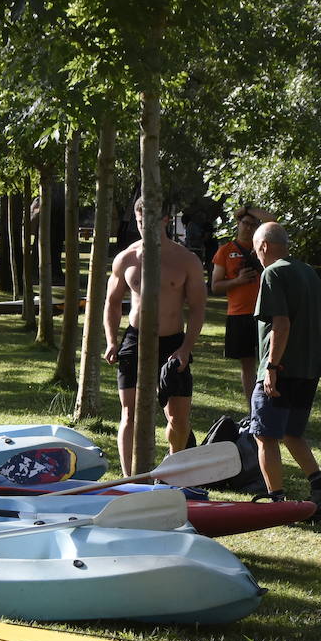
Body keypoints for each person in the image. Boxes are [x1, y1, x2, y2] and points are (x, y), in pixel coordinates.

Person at [247, 222, 321, 522]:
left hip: (283, 368)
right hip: (309, 368)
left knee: (264, 435)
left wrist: (271, 368)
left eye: (255, 249)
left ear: (263, 246)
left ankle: (277, 502)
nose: (256, 255)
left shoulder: (273, 272)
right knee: (292, 432)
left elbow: (282, 324)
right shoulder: (309, 273)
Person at [103, 196, 206, 471]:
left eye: (148, 222)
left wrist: (185, 348)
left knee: (178, 418)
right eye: (138, 222)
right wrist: (111, 340)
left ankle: (172, 469)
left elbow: (197, 308)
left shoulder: (186, 260)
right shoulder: (126, 258)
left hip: (173, 343)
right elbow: (112, 303)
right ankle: (129, 480)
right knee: (129, 412)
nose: (143, 228)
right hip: (135, 339)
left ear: (165, 220)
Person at [210, 208, 273, 403]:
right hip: (239, 314)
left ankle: (269, 401)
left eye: (253, 225)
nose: (248, 228)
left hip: (266, 312)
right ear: (238, 224)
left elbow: (273, 221)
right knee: (247, 364)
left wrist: (248, 208)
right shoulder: (225, 251)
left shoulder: (264, 247)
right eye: (245, 223)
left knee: (269, 360)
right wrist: (238, 281)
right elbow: (215, 286)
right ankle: (253, 406)